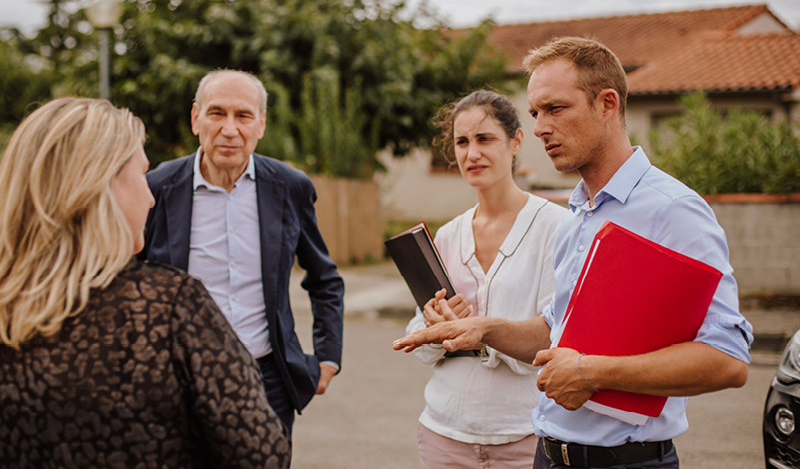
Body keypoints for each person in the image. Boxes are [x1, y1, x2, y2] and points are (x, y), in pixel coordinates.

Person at [394, 37, 753, 469]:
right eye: (535, 113)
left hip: (625, 461)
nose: (542, 127)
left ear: (607, 104)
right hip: (549, 455)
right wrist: (483, 329)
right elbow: (556, 334)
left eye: (556, 108)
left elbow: (728, 360)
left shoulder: (673, 209)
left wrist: (591, 373)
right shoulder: (579, 212)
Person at [0, 97, 290, 469]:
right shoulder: (169, 307)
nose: (150, 197)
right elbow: (262, 455)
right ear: (100, 188)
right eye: (140, 175)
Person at [139, 69, 344, 436]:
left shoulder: (290, 187)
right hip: (178, 379)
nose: (230, 129)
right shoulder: (157, 187)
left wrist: (328, 358)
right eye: (217, 113)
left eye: (243, 115)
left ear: (261, 125)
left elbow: (324, 278)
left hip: (267, 379)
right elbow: (127, 281)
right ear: (195, 118)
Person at [404, 90, 565, 468]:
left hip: (526, 436)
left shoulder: (556, 228)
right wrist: (437, 325)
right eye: (462, 142)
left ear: (516, 142)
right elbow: (422, 344)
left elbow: (552, 339)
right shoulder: (446, 235)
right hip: (444, 434)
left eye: (484, 139)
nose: (471, 154)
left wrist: (478, 332)